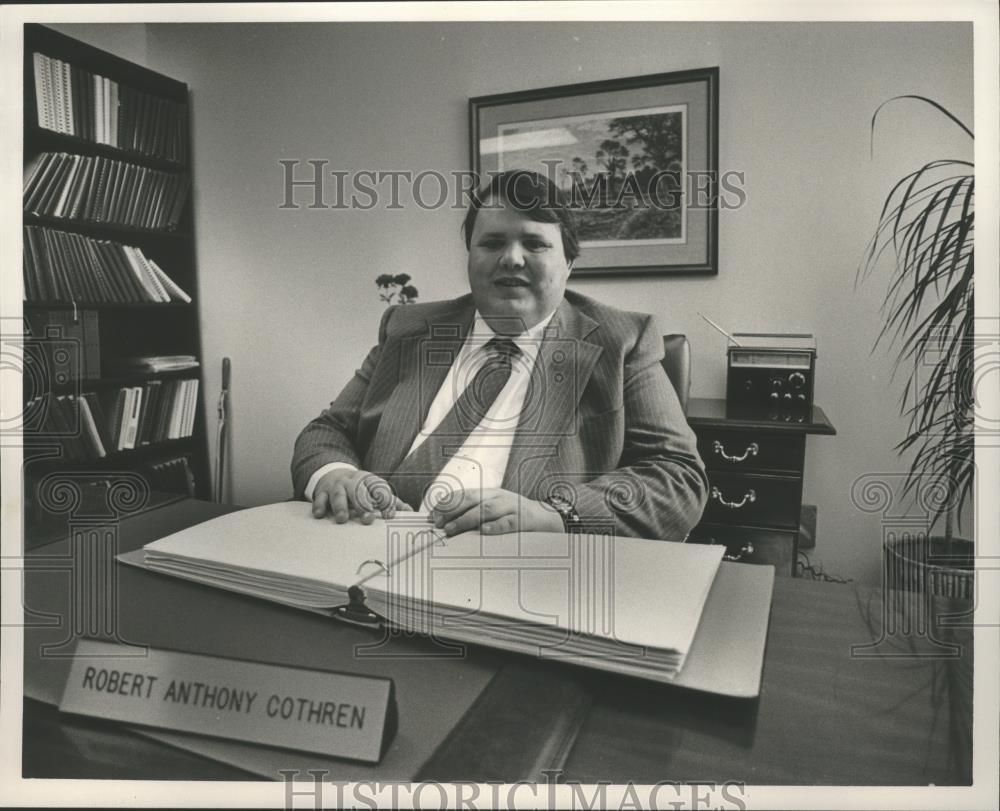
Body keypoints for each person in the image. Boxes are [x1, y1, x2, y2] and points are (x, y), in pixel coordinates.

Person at [291, 170, 708, 540]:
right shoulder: (407, 330)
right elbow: (327, 430)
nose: (511, 258)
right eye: (491, 243)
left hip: (518, 576)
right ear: (470, 257)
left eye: (534, 243)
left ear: (568, 264)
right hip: (365, 549)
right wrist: (336, 474)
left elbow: (678, 479)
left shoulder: (622, 343)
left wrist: (553, 515)